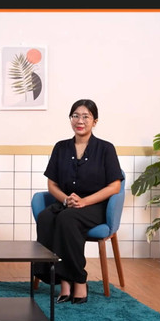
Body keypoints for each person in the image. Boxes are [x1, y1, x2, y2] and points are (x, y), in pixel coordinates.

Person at [35, 99, 122, 305]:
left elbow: (114, 186)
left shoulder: (106, 148)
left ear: (95, 121)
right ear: (70, 119)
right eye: (75, 116)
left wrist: (84, 201)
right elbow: (52, 185)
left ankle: (78, 280)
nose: (80, 121)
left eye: (85, 116)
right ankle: (61, 280)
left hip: (95, 205)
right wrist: (66, 199)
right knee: (46, 217)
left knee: (67, 219)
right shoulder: (61, 147)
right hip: (68, 202)